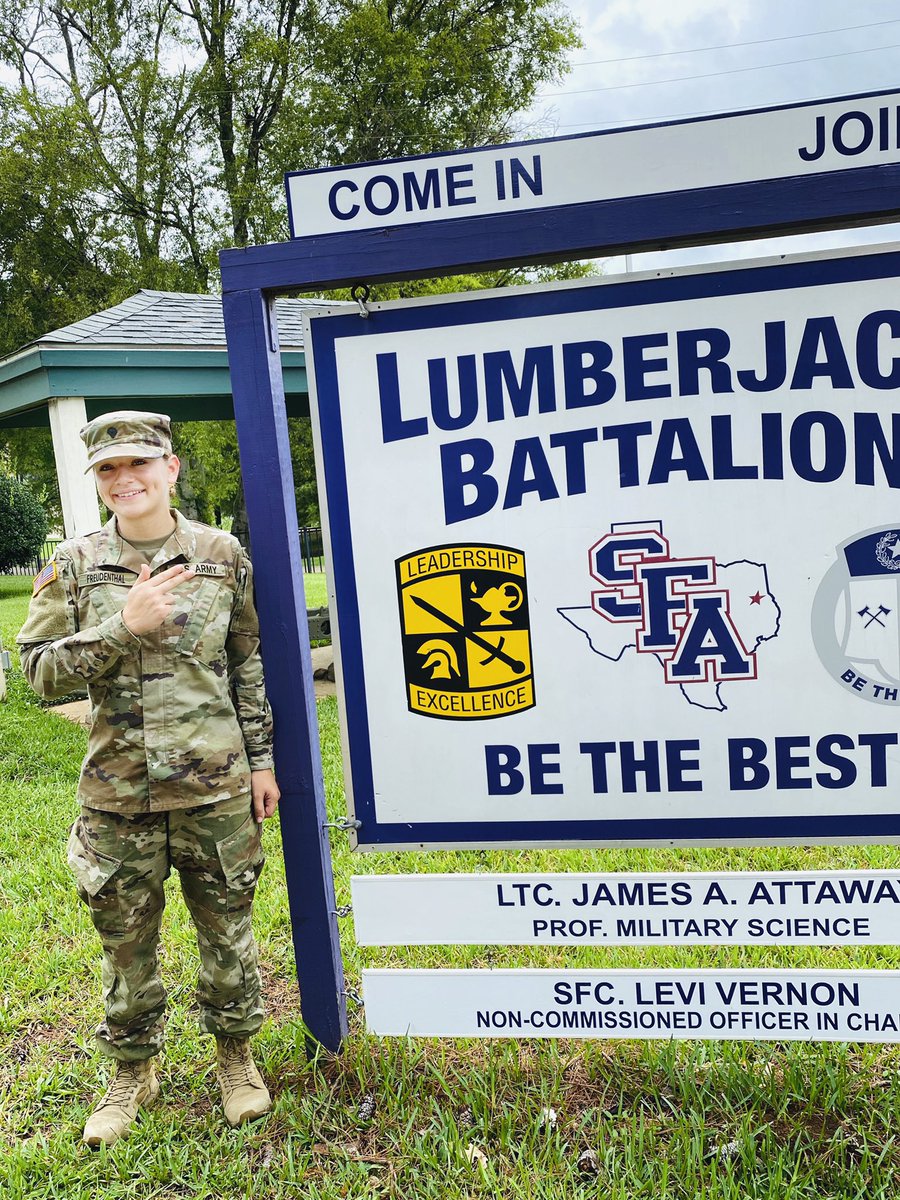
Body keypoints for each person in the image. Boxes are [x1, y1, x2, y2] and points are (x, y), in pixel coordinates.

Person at [16, 411, 281, 1148]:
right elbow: (36, 674)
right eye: (107, 469)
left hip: (216, 787)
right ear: (95, 480)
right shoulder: (71, 564)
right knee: (125, 945)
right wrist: (120, 626)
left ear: (170, 468)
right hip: (118, 793)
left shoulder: (221, 554)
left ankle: (236, 1060)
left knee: (228, 934)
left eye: (138, 463)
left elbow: (247, 664)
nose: (124, 479)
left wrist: (260, 762)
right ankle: (132, 1070)